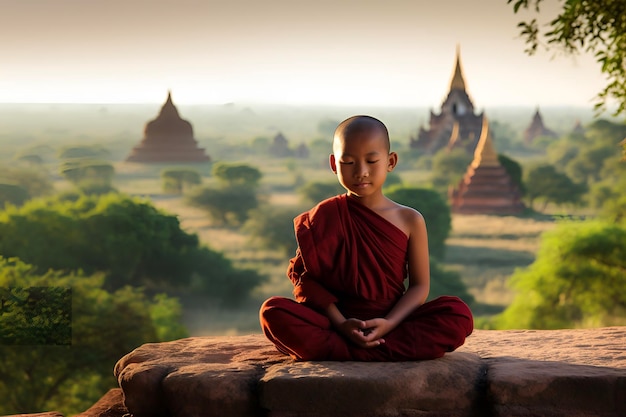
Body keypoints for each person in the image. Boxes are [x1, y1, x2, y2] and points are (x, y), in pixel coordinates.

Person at [259, 115, 473, 361]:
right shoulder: (324, 216)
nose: (361, 172)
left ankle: (342, 350)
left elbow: (419, 287)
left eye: (372, 161)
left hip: (392, 322)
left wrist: (388, 323)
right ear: (333, 164)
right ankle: (374, 349)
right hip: (336, 322)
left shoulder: (410, 219)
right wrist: (341, 324)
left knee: (457, 314)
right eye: (348, 162)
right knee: (272, 311)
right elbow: (306, 281)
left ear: (391, 161)